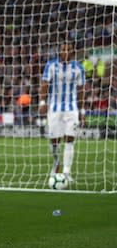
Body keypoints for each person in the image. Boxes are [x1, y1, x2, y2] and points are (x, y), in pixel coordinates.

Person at [39, 40, 85, 182]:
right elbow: (45, 84)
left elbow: (81, 89)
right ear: (60, 51)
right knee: (54, 139)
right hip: (54, 107)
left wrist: (82, 111)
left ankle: (66, 172)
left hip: (71, 109)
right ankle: (56, 162)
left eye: (69, 49)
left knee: (70, 139)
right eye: (64, 49)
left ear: (73, 51)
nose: (66, 52)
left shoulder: (78, 68)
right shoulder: (51, 65)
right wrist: (42, 102)